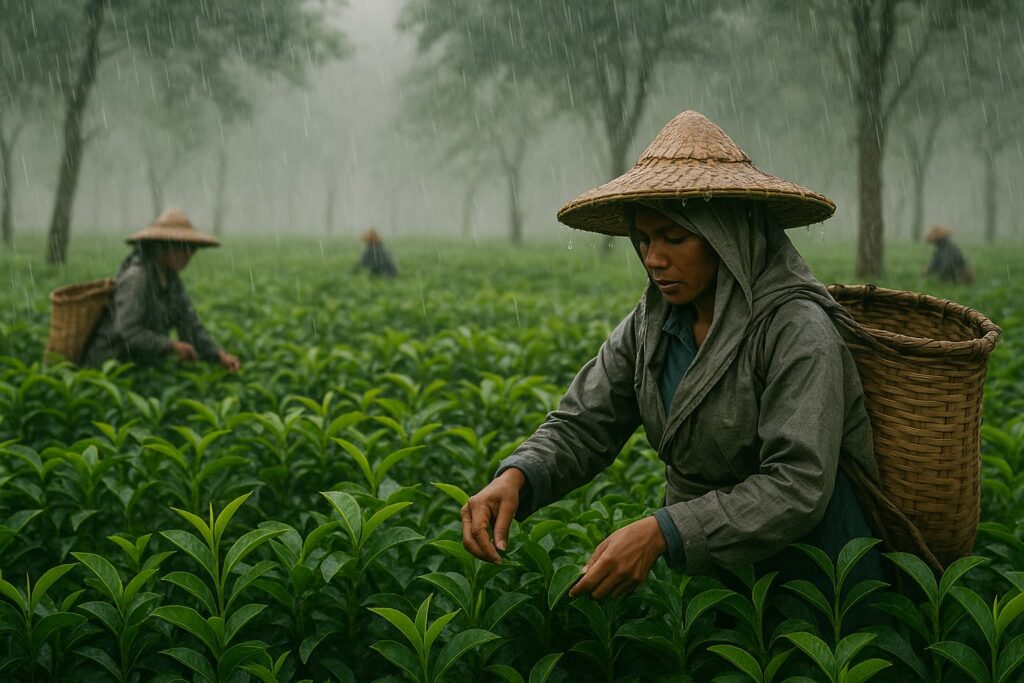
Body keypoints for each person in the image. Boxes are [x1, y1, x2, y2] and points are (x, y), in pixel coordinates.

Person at [460, 111, 886, 600]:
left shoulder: (797, 329)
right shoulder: (652, 325)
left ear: (727, 239)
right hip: (714, 579)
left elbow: (798, 484)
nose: (654, 258)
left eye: (675, 238)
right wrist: (518, 476)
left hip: (818, 580)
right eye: (644, 239)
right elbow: (584, 424)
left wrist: (664, 531)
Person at [82, 208, 241, 372]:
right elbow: (128, 332)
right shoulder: (137, 278)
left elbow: (188, 322)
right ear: (162, 246)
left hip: (141, 366)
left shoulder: (172, 280)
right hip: (110, 366)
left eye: (192, 249)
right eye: (183, 248)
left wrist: (219, 355)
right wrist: (171, 346)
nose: (188, 255)